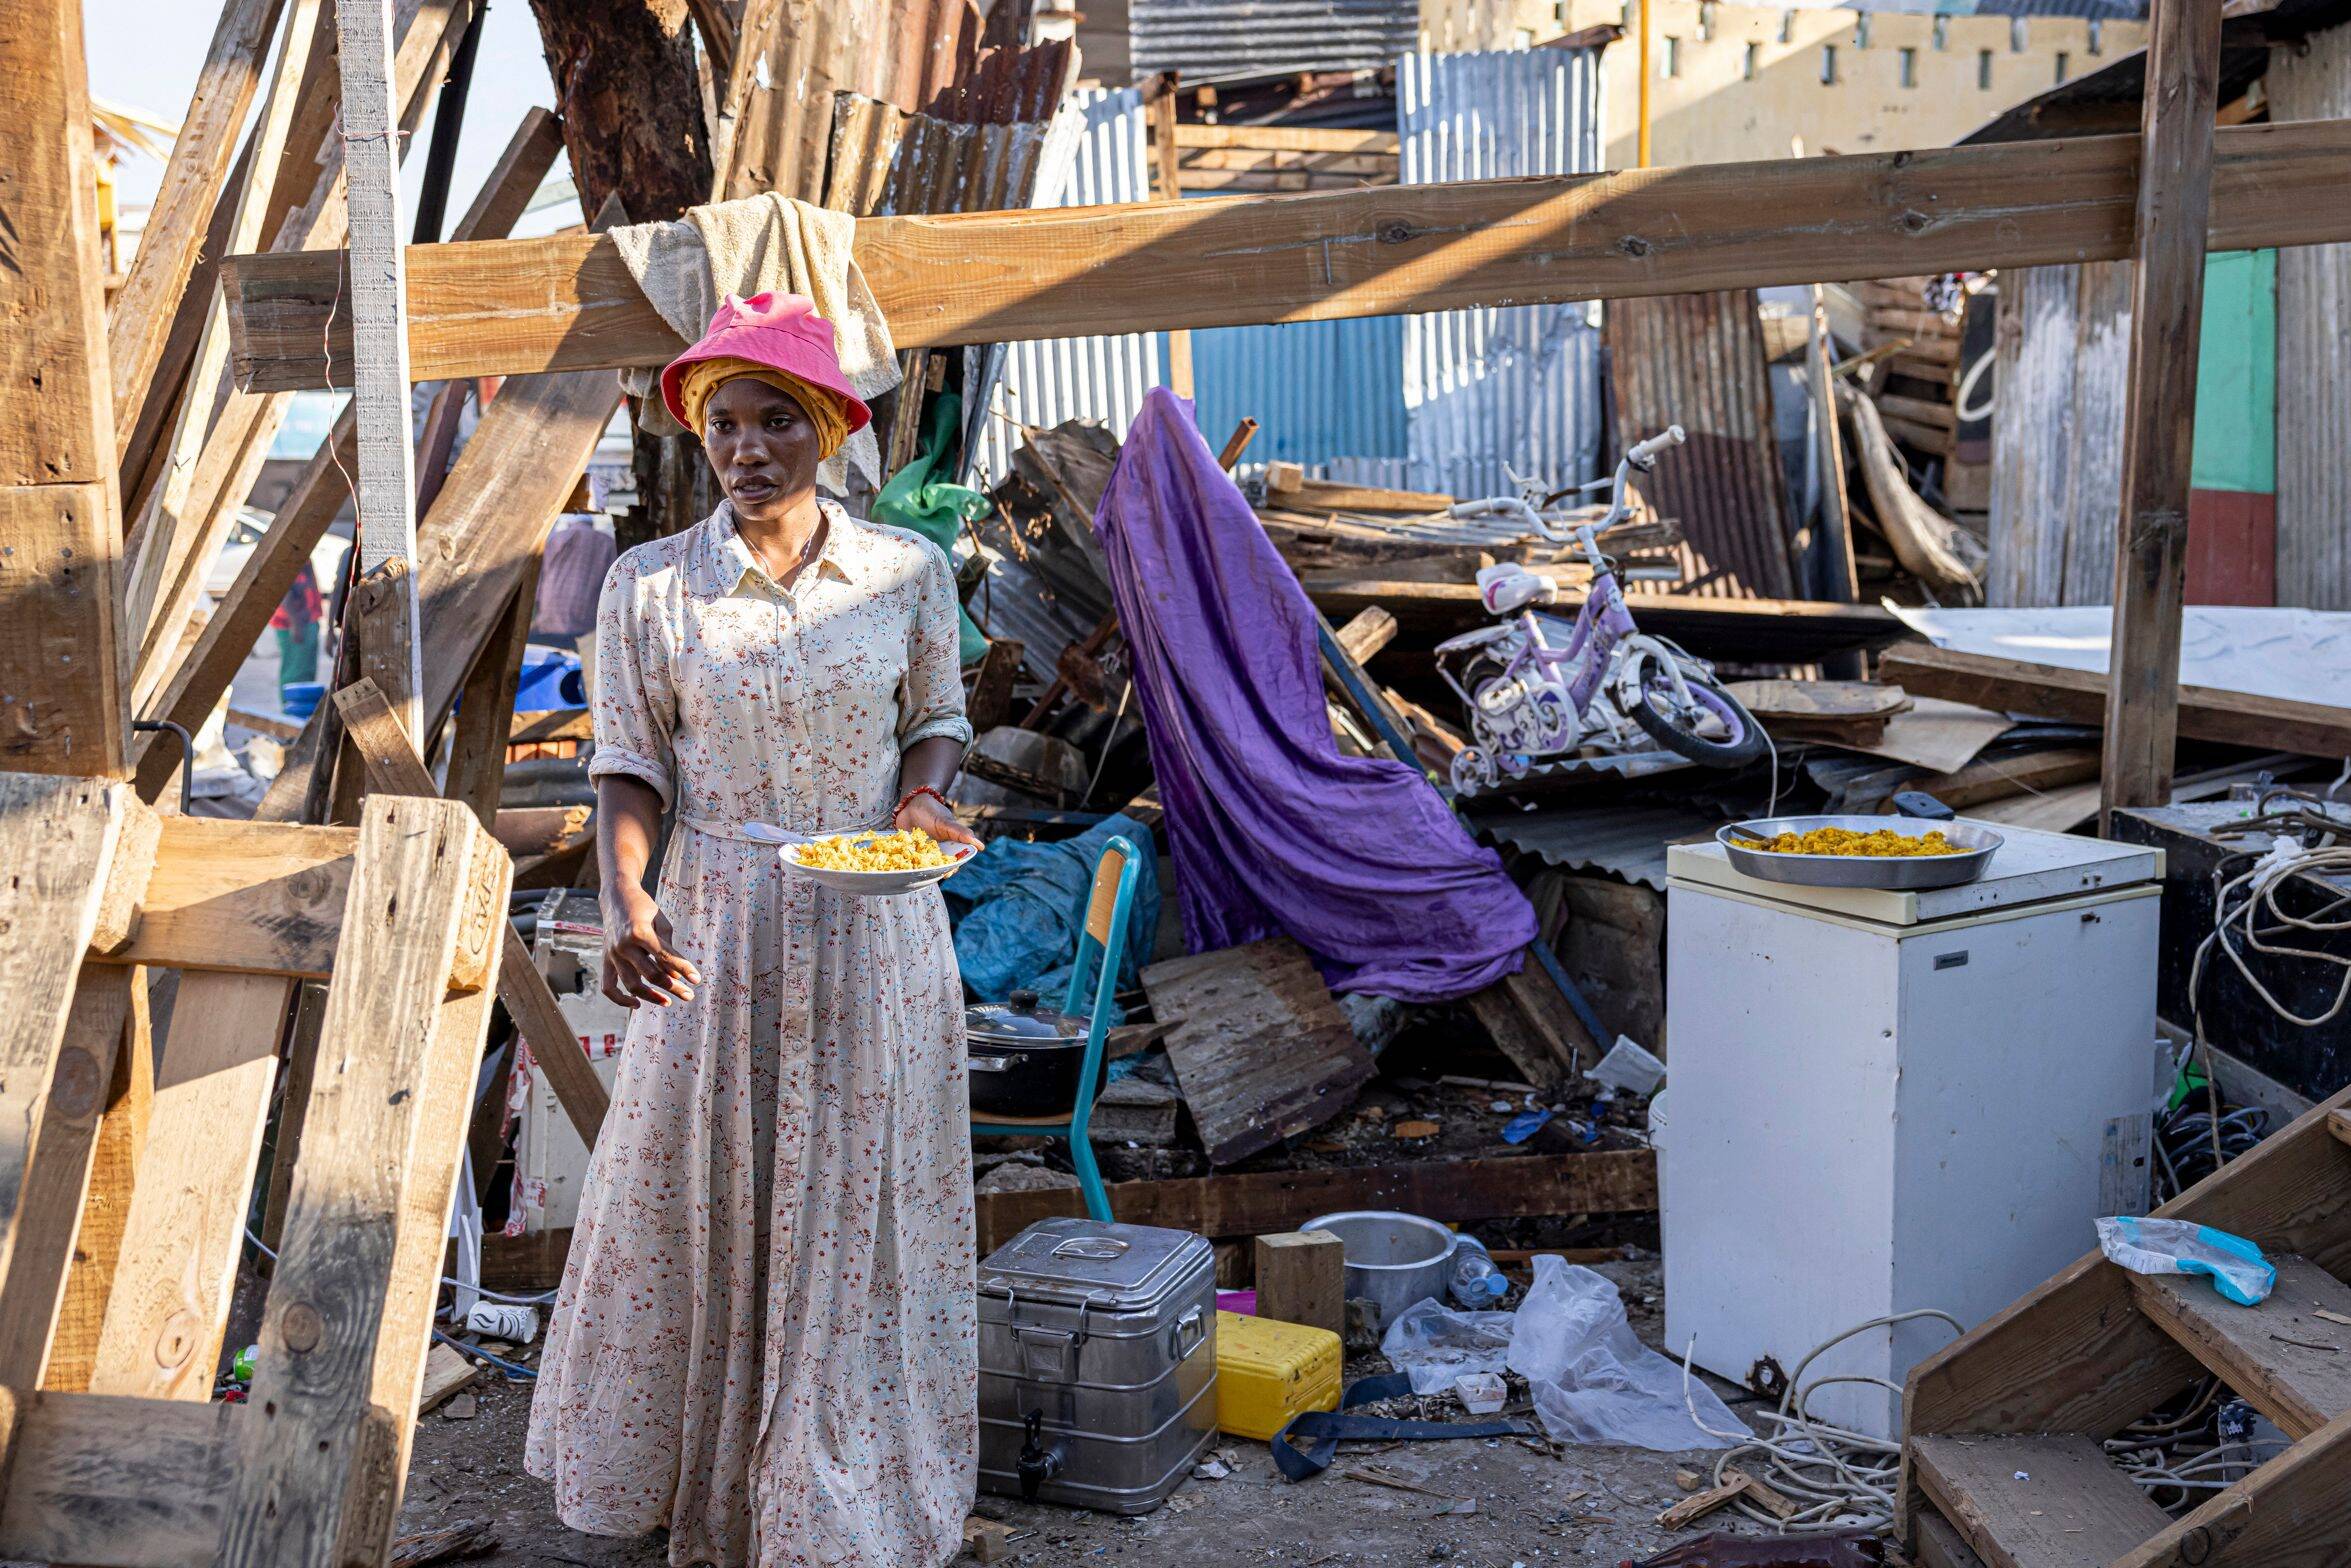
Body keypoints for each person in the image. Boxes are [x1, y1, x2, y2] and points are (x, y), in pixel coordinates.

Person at [526, 293, 983, 1568]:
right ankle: (698, 1477)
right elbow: (629, 764)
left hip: (872, 917)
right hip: (715, 923)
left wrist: (922, 797)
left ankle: (832, 1479)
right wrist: (628, 899)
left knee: (861, 1190)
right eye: (723, 422)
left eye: (776, 419)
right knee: (684, 1189)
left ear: (828, 427)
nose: (746, 447)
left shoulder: (904, 572)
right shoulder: (648, 586)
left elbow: (934, 718)